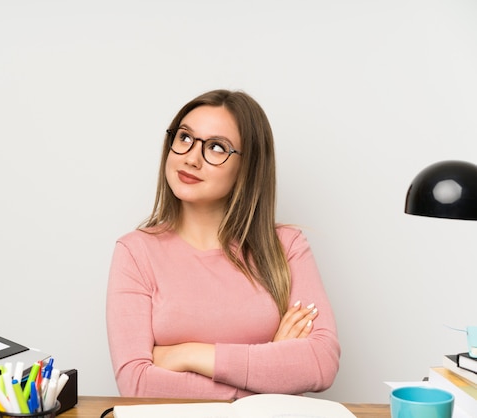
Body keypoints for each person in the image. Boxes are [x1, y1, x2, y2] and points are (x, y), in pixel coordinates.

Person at [106, 89, 340, 400]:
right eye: (185, 138)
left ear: (248, 167)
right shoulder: (135, 252)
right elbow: (136, 383)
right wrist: (269, 368)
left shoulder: (286, 246)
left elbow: (320, 363)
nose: (191, 158)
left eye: (217, 147)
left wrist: (186, 354)